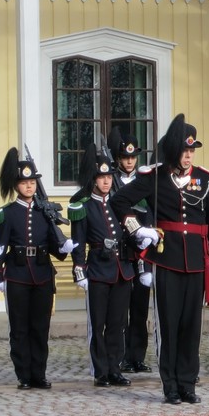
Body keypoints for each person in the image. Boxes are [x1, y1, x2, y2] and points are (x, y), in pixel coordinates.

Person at [110, 114, 209, 405]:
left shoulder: (205, 180)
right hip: (167, 260)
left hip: (197, 261)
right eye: (185, 151)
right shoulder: (156, 177)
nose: (188, 156)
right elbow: (118, 201)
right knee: (169, 324)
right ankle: (170, 385)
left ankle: (188, 383)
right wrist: (140, 230)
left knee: (191, 325)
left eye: (192, 151)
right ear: (174, 150)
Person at [0, 148, 76, 390]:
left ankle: (39, 373)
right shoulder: (7, 214)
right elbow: (0, 245)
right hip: (17, 274)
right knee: (19, 327)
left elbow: (53, 245)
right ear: (16, 185)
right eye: (24, 182)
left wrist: (65, 246)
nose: (29, 186)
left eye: (32, 182)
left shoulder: (44, 212)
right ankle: (23, 374)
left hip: (41, 274)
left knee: (40, 327)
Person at [68, 143, 135, 388]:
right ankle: (100, 370)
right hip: (97, 269)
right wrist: (79, 270)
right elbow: (79, 242)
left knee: (117, 323)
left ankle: (115, 368)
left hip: (121, 269)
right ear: (94, 179)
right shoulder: (84, 206)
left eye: (109, 177)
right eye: (102, 177)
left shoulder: (119, 203)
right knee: (99, 323)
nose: (106, 182)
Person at [108, 126, 153, 375]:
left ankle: (138, 356)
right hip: (121, 250)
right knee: (120, 308)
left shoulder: (144, 182)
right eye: (125, 157)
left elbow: (152, 213)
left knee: (140, 307)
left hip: (142, 251)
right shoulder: (110, 182)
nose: (129, 161)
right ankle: (122, 355)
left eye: (133, 157)